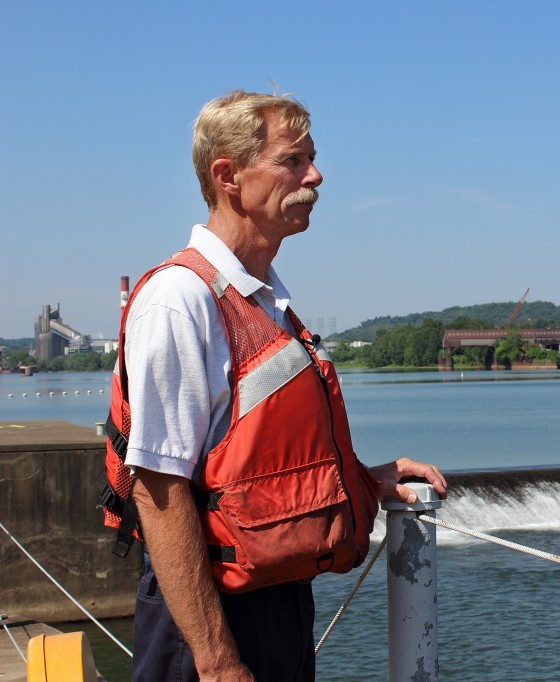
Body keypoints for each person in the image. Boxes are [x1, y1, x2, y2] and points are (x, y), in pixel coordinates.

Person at [105, 90, 447, 681]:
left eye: (311, 159)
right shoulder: (180, 300)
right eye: (293, 160)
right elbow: (159, 491)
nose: (315, 175)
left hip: (276, 600)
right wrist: (216, 662)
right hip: (208, 617)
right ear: (228, 175)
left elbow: (257, 464)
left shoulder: (266, 301)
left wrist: (365, 480)